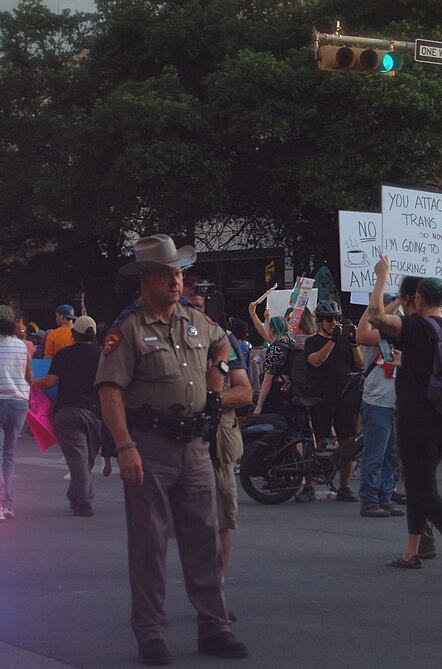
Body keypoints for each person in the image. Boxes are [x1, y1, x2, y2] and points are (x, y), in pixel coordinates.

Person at [95, 234, 247, 664]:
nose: (177, 281)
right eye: (167, 273)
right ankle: (150, 634)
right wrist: (124, 445)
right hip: (151, 446)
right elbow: (109, 392)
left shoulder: (195, 321)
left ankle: (214, 628)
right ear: (146, 279)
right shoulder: (128, 327)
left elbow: (223, 345)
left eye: (179, 272)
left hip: (196, 447)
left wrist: (217, 377)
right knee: (149, 544)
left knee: (205, 541)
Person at [368, 255, 442, 576]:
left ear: (418, 299)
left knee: (422, 485)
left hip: (418, 418)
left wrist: (382, 277)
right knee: (417, 484)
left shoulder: (415, 326)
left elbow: (375, 318)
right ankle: (411, 551)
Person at [183, 272, 253, 610]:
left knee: (222, 518)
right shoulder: (164, 336)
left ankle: (215, 590)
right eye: (188, 300)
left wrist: (213, 400)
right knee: (184, 522)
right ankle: (199, 585)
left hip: (217, 439)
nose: (195, 306)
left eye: (200, 301)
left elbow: (244, 391)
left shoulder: (223, 338)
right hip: (177, 441)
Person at [32, 315, 104, 516]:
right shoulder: (103, 355)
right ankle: (80, 498)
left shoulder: (64, 354)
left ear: (74, 334)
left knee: (79, 460)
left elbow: (49, 382)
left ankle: (82, 500)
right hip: (95, 413)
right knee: (87, 460)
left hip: (68, 413)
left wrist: (30, 382)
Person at [301, 299, 362, 502]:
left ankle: (344, 486)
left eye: (336, 319)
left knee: (348, 442)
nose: (333, 323)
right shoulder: (312, 342)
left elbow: (360, 363)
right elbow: (316, 360)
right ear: (320, 321)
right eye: (329, 320)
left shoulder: (344, 339)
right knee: (317, 440)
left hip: (344, 398)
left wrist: (353, 342)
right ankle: (308, 485)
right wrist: (332, 341)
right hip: (319, 397)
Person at [354, 297, 403, 518]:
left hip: (393, 404)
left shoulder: (397, 345)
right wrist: (396, 301)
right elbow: (370, 320)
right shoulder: (373, 340)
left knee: (390, 455)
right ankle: (370, 500)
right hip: (376, 404)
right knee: (375, 454)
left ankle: (384, 497)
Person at [0, 304, 32, 522]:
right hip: (19, 404)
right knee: (9, 456)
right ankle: (8, 505)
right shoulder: (23, 347)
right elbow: (29, 378)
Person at [251, 317, 296, 417]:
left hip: (277, 390)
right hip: (291, 389)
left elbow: (268, 380)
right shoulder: (292, 343)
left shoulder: (274, 348)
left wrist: (259, 405)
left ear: (272, 330)